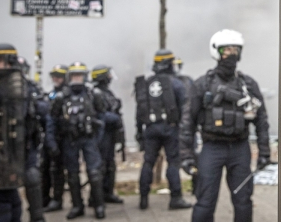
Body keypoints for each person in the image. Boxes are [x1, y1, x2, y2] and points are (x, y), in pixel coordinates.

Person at [180, 29, 271, 222]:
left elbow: (261, 120)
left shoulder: (248, 84)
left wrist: (264, 152)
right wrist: (186, 155)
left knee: (243, 201)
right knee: (205, 201)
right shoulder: (202, 85)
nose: (231, 54)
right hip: (212, 148)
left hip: (240, 148)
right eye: (226, 50)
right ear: (216, 52)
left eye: (235, 49)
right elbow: (188, 122)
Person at [0, 44, 58, 222]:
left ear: (9, 62)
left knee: (19, 189)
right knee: (4, 198)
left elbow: (43, 111)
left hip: (22, 147)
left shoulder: (24, 87)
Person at [135, 49, 191, 210]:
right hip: (170, 128)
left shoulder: (146, 83)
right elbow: (185, 106)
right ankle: (176, 198)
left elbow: (140, 110)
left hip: (150, 128)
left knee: (148, 162)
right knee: (173, 162)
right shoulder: (175, 83)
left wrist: (139, 133)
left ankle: (143, 199)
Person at [51, 62, 106, 219]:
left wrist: (98, 139)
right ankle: (77, 206)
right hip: (70, 140)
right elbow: (53, 120)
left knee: (94, 173)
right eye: (74, 75)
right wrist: (53, 141)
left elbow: (102, 117)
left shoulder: (92, 94)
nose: (77, 79)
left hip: (89, 139)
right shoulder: (62, 97)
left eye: (79, 76)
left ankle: (99, 205)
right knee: (73, 175)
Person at [91, 65, 124, 204]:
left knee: (110, 164)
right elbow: (100, 115)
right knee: (101, 165)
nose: (111, 77)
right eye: (108, 75)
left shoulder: (106, 92)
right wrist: (114, 118)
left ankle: (108, 192)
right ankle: (95, 197)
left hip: (109, 134)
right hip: (101, 134)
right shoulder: (96, 93)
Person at [42, 64, 70, 212]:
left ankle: (57, 200)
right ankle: (44, 199)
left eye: (58, 76)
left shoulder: (68, 95)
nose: (55, 79)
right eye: (53, 76)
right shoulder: (52, 94)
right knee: (46, 168)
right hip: (51, 137)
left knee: (58, 169)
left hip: (64, 138)